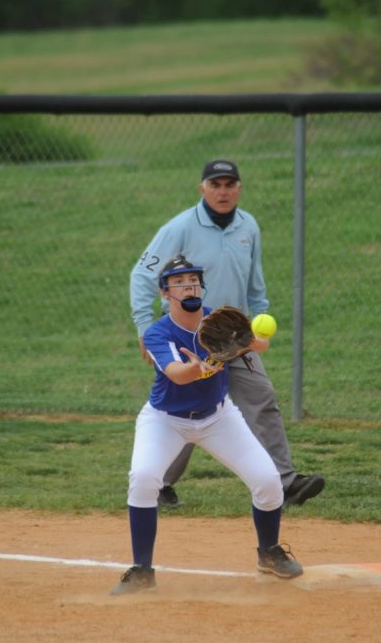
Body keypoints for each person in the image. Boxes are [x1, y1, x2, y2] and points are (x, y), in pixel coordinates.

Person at [130, 159, 324, 509]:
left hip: (235, 335)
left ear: (239, 188)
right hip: (187, 335)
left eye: (229, 184)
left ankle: (285, 481)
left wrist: (258, 322)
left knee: (261, 396)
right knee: (187, 407)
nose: (223, 191)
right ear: (202, 189)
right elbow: (143, 275)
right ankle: (159, 484)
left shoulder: (248, 225)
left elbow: (255, 284)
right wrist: (145, 327)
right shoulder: (180, 227)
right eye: (215, 185)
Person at [111, 256, 303, 595]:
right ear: (165, 293)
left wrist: (251, 338)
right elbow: (177, 374)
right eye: (179, 281)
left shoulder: (220, 323)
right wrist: (200, 366)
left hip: (217, 417)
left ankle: (269, 553)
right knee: (143, 477)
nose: (189, 286)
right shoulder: (158, 333)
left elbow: (260, 345)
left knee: (268, 480)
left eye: (193, 280)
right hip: (165, 420)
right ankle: (142, 571)